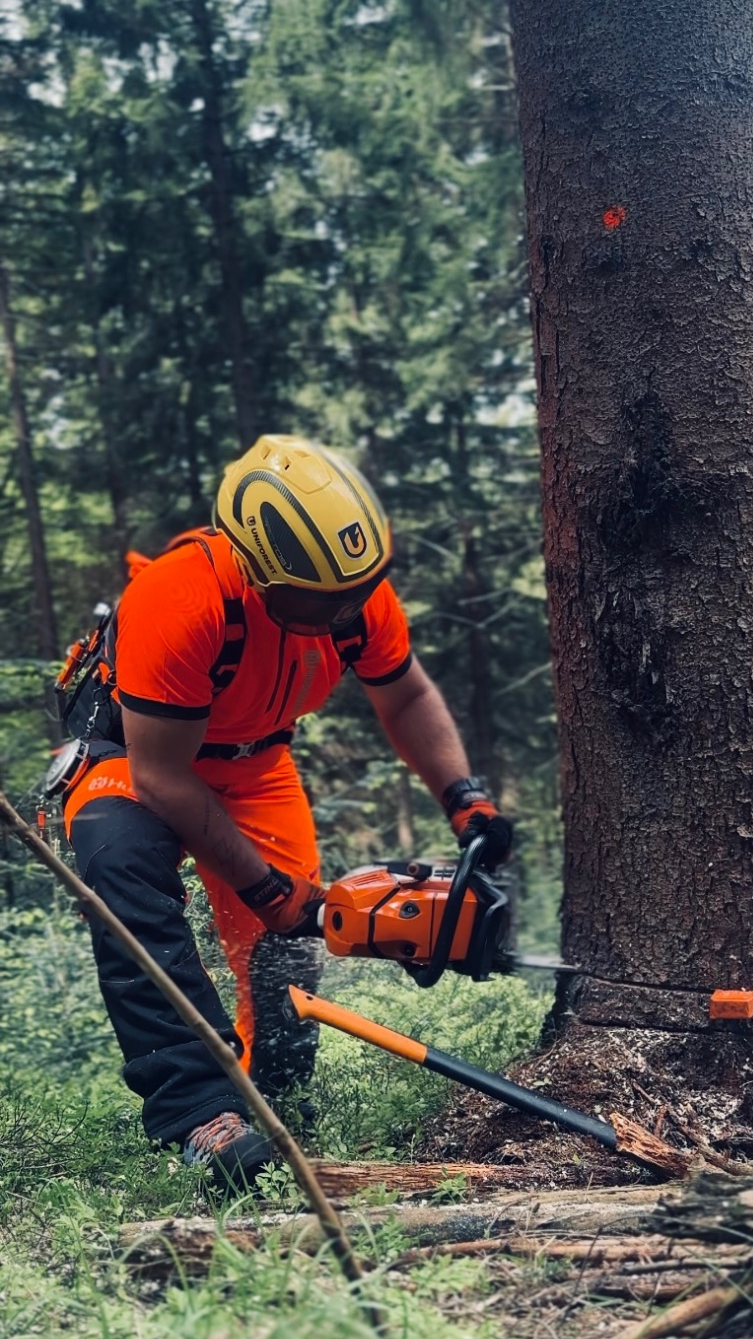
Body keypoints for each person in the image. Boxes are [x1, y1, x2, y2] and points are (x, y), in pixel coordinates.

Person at [62, 434, 512, 1187]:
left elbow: (405, 695)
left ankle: (275, 1100)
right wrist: (266, 888)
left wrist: (464, 799)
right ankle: (199, 1110)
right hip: (139, 760)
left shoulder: (351, 593)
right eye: (328, 599)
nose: (348, 610)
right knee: (122, 872)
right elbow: (165, 778)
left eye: (357, 591)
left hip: (256, 762)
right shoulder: (181, 599)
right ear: (261, 569)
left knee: (291, 946)